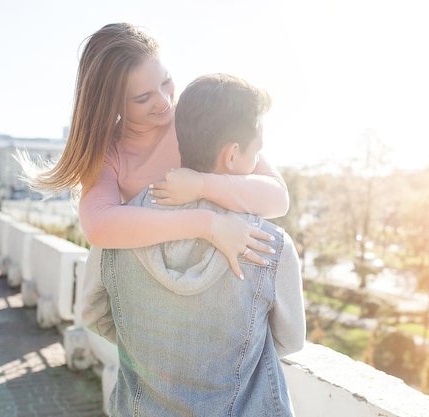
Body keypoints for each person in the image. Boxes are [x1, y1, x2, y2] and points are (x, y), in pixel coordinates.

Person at [86, 73, 305, 416]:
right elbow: (290, 340)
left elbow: (93, 313)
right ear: (232, 155)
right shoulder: (270, 246)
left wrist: (152, 348)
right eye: (257, 151)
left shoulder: (118, 231)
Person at [18, 22, 289, 279]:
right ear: (113, 104)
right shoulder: (109, 155)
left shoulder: (200, 115)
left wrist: (202, 185)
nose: (163, 102)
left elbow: (277, 198)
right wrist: (208, 225)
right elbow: (99, 226)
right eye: (142, 98)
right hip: (157, 296)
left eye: (166, 82)